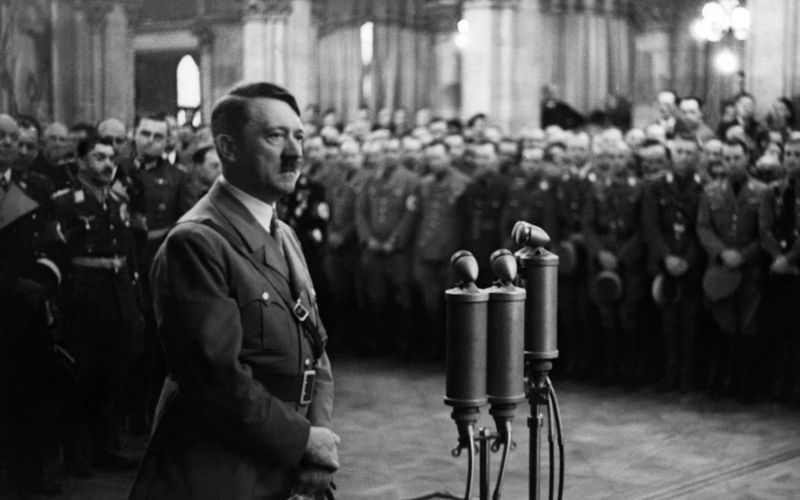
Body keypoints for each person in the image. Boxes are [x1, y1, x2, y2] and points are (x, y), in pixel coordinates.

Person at [129, 82, 338, 500]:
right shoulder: (197, 242)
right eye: (275, 136)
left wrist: (316, 442)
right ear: (228, 147)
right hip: (222, 471)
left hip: (283, 463)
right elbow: (217, 383)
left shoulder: (285, 236)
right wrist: (302, 442)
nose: (295, 152)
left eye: (299, 136)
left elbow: (316, 352)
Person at [51, 135, 144, 475]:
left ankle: (106, 447)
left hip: (117, 298)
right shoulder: (65, 203)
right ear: (80, 162)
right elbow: (58, 255)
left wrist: (134, 303)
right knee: (81, 378)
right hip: (84, 301)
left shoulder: (118, 200)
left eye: (111, 158)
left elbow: (129, 254)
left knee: (112, 377)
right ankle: (77, 454)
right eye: (99, 157)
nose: (108, 164)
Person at [697, 138, 767, 400]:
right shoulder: (711, 191)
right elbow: (703, 226)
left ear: (748, 158)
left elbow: (766, 231)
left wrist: (745, 255)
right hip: (721, 268)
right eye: (727, 158)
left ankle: (743, 383)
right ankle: (722, 380)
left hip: (750, 270)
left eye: (737, 157)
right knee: (723, 322)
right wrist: (721, 252)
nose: (732, 163)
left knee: (748, 324)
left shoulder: (762, 191)